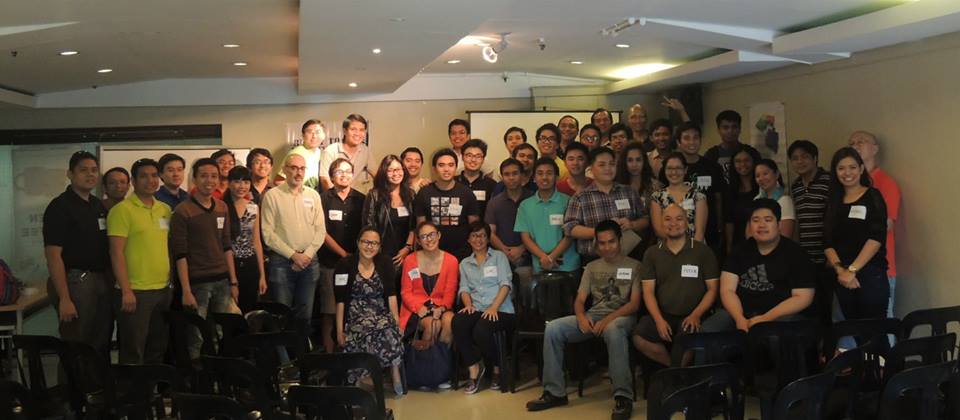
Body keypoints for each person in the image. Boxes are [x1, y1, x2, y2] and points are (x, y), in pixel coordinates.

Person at [526, 221, 641, 420]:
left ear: (619, 240)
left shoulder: (635, 266)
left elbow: (634, 304)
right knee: (553, 328)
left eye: (611, 242)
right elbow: (580, 300)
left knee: (613, 329)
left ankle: (623, 397)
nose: (607, 247)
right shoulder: (592, 267)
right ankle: (555, 392)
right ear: (596, 244)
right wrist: (581, 317)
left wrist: (608, 320)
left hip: (622, 317)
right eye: (602, 243)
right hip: (594, 316)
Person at [701, 199, 815, 332]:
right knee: (708, 329)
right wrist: (739, 318)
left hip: (780, 316)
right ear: (749, 225)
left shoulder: (796, 253)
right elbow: (727, 290)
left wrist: (766, 318)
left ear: (779, 225)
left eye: (768, 220)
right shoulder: (739, 250)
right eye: (755, 220)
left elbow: (803, 297)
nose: (761, 225)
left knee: (774, 335)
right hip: (740, 313)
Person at [43, 151, 113, 358]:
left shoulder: (97, 205)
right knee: (76, 343)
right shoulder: (60, 206)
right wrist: (64, 298)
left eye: (94, 170)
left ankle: (96, 380)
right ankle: (73, 381)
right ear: (70, 174)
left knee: (100, 342)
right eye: (83, 170)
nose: (90, 174)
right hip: (75, 281)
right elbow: (53, 255)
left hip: (101, 279)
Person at [633, 204, 719, 367]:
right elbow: (648, 291)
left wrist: (696, 315)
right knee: (639, 336)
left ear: (686, 222)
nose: (673, 223)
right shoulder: (652, 253)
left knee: (686, 342)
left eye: (679, 219)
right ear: (661, 223)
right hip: (664, 314)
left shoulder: (702, 251)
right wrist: (658, 320)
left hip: (693, 314)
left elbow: (713, 289)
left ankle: (674, 373)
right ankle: (674, 370)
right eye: (668, 219)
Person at [170, 158, 238, 360]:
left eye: (214, 176)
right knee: (196, 336)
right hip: (197, 283)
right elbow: (180, 253)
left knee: (221, 333)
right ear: (194, 179)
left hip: (222, 281)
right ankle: (196, 374)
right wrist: (186, 290)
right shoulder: (183, 211)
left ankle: (218, 373)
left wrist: (233, 281)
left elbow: (227, 245)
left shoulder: (222, 207)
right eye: (204, 176)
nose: (209, 180)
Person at [107, 158, 173, 364]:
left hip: (162, 290)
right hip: (135, 292)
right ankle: (130, 387)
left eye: (154, 175)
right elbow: (116, 252)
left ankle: (152, 386)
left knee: (157, 349)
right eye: (144, 176)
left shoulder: (165, 209)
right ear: (133, 181)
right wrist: (126, 290)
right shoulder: (122, 210)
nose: (150, 180)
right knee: (133, 352)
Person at [334, 227, 405, 397]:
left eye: (374, 243)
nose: (370, 246)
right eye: (366, 242)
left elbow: (391, 295)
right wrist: (339, 330)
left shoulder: (385, 263)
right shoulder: (344, 265)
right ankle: (366, 377)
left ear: (379, 246)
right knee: (365, 331)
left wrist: (397, 321)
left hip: (380, 313)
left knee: (390, 330)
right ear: (358, 243)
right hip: (355, 315)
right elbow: (340, 300)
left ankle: (394, 372)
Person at [261, 154, 327, 333]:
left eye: (302, 168)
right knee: (281, 318)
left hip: (309, 262)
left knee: (305, 317)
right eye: (294, 168)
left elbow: (320, 230)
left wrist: (306, 255)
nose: (298, 173)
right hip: (282, 263)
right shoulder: (272, 196)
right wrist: (294, 256)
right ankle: (283, 352)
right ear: (285, 170)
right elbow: (268, 234)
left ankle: (301, 350)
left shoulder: (313, 195)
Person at [824, 147, 889, 324]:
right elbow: (827, 242)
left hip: (870, 273)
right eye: (841, 168)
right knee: (854, 330)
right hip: (842, 277)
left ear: (861, 169)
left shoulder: (872, 196)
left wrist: (852, 270)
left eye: (852, 167)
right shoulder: (833, 201)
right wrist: (841, 271)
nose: (847, 173)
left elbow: (876, 238)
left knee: (876, 331)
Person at [452, 221, 515, 394]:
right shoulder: (464, 263)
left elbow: (505, 284)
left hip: (501, 309)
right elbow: (464, 288)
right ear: (468, 239)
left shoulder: (499, 257)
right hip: (478, 308)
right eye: (474, 235)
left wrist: (494, 307)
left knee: (481, 328)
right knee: (458, 322)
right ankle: (474, 366)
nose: (478, 239)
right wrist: (468, 305)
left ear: (488, 239)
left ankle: (497, 367)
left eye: (482, 236)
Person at [400, 222, 460, 388]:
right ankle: (425, 372)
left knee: (449, 321)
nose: (429, 239)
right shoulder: (410, 260)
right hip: (415, 309)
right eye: (424, 237)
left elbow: (450, 292)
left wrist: (442, 308)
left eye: (432, 234)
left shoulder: (451, 261)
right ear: (418, 241)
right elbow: (406, 292)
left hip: (441, 307)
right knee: (433, 325)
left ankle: (440, 372)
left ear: (439, 235)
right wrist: (418, 307)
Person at [564, 147, 649, 262]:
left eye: (612, 164)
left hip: (628, 257)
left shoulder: (629, 192)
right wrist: (600, 232)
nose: (608, 168)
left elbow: (645, 219)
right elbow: (570, 228)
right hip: (593, 259)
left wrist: (632, 224)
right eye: (602, 165)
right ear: (591, 169)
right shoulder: (580, 197)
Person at [848, 131, 900, 318]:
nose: (855, 146)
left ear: (875, 149)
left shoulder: (885, 183)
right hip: (850, 268)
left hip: (879, 267)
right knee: (851, 326)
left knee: (881, 325)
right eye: (851, 143)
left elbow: (886, 226)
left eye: (861, 142)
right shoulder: (849, 186)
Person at [317, 158, 366, 353]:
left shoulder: (361, 199)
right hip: (330, 263)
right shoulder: (323, 199)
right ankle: (329, 357)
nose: (344, 175)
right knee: (329, 311)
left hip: (357, 263)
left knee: (354, 310)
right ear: (331, 176)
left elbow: (366, 230)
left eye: (348, 171)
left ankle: (353, 354)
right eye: (339, 171)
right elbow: (321, 232)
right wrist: (343, 253)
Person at [515, 157, 580, 302]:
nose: (544, 177)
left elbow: (570, 233)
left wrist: (552, 257)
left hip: (568, 266)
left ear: (556, 177)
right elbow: (525, 237)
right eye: (540, 173)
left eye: (549, 173)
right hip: (540, 266)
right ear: (534, 177)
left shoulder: (569, 201)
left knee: (569, 310)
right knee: (543, 310)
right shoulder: (525, 205)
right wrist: (544, 258)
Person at [788, 140, 834, 324]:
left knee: (829, 306)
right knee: (811, 306)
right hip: (807, 256)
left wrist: (832, 255)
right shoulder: (796, 186)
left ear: (815, 158)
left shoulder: (829, 180)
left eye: (805, 157)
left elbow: (835, 218)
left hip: (828, 256)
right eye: (795, 158)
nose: (800, 161)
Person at [414, 148, 480, 258]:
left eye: (451, 165)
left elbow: (475, 227)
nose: (446, 169)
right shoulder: (424, 193)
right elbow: (420, 227)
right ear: (434, 168)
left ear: (456, 167)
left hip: (462, 254)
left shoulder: (466, 193)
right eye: (441, 165)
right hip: (431, 253)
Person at [677, 121, 726, 257]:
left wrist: (720, 227)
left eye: (696, 137)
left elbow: (718, 198)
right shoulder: (672, 168)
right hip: (679, 229)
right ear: (678, 142)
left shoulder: (712, 167)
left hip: (710, 229)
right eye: (686, 138)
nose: (692, 142)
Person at [485, 159, 534, 295]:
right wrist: (506, 251)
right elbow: (490, 232)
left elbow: (539, 230)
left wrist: (521, 249)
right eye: (507, 174)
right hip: (502, 258)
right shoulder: (494, 203)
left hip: (530, 257)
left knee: (529, 297)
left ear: (522, 175)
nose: (511, 178)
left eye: (515, 173)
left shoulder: (533, 199)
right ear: (502, 177)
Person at [362, 155, 416, 274]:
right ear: (384, 173)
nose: (395, 173)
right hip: (380, 254)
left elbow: (415, 225)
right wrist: (375, 252)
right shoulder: (374, 195)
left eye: (398, 169)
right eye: (390, 170)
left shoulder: (411, 195)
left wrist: (407, 248)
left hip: (406, 254)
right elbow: (368, 226)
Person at [223, 166, 267, 314]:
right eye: (237, 181)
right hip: (229, 266)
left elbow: (256, 242)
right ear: (229, 183)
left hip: (250, 265)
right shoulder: (221, 207)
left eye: (246, 182)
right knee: (230, 313)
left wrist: (262, 275)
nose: (242, 186)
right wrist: (232, 280)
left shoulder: (253, 207)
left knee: (249, 310)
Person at [651, 153, 707, 242]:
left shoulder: (698, 196)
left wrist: (691, 249)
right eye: (669, 168)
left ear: (685, 170)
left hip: (694, 246)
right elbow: (659, 230)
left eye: (678, 168)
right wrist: (676, 246)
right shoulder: (657, 197)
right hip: (666, 247)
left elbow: (700, 231)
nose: (674, 172)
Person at [703, 110, 760, 186]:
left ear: (740, 129)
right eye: (725, 127)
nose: (730, 131)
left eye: (734, 127)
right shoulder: (711, 155)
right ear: (718, 130)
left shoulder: (751, 153)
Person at [320, 114, 373, 192]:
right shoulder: (330, 150)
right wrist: (338, 197)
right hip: (333, 196)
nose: (357, 133)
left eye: (361, 130)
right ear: (345, 131)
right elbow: (325, 180)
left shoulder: (365, 150)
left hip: (354, 197)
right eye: (353, 129)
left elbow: (377, 174)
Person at [726, 147, 761, 254]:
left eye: (747, 160)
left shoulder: (762, 187)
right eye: (738, 161)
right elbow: (729, 221)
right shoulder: (730, 190)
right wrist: (729, 248)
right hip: (738, 244)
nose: (742, 164)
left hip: (761, 242)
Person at [456, 139, 497, 219]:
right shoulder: (453, 182)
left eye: (478, 156)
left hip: (483, 226)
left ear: (483, 159)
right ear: (462, 157)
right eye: (469, 155)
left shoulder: (492, 185)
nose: (473, 160)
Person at [278, 120, 325, 189]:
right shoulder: (296, 153)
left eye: (318, 132)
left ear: (323, 135)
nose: (314, 136)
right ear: (303, 135)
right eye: (310, 132)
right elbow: (279, 181)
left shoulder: (320, 152)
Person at [754, 159, 795, 239]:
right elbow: (750, 232)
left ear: (776, 174)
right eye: (757, 176)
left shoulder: (785, 200)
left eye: (765, 174)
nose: (761, 178)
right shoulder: (756, 200)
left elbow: (785, 236)